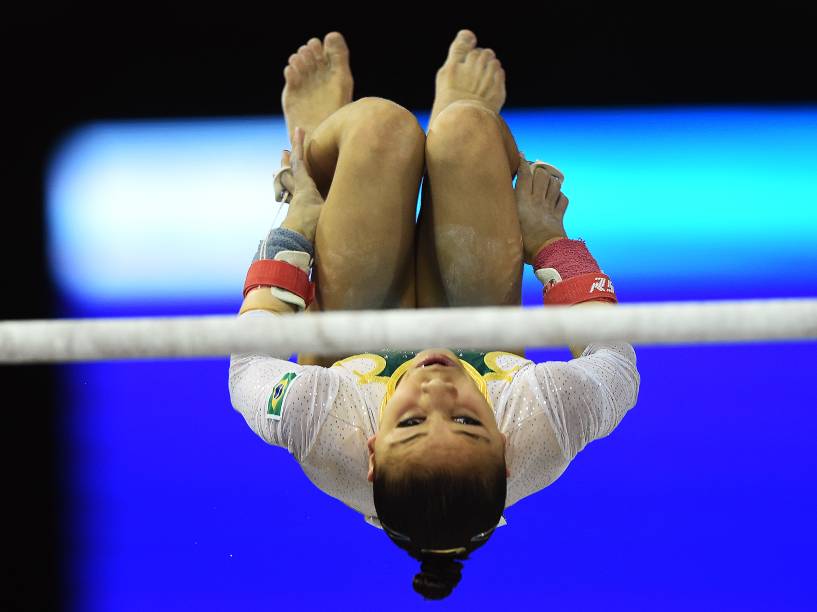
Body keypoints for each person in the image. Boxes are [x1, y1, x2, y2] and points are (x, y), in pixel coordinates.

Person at [229, 29, 640, 600]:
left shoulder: (322, 425)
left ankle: (316, 157)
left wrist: (297, 221)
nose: (437, 392)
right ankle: (449, 134)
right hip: (475, 323)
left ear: (370, 452)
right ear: (507, 446)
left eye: (411, 423)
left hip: (354, 334)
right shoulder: (547, 420)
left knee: (379, 128)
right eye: (470, 422)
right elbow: (615, 363)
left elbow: (251, 360)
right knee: (467, 131)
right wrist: (550, 244)